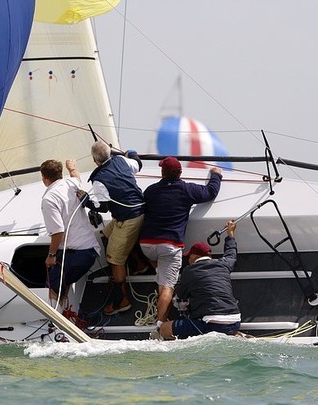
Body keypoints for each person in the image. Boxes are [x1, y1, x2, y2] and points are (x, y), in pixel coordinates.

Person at [140, 157, 222, 332]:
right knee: (166, 288)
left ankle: (159, 273)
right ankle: (160, 327)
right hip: (169, 247)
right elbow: (210, 192)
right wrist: (215, 174)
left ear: (162, 172)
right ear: (180, 173)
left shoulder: (150, 191)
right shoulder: (186, 190)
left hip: (146, 246)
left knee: (158, 262)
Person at [84, 140, 145, 315]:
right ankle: (140, 264)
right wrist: (131, 152)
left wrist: (86, 201)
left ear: (95, 160)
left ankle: (122, 301)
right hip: (139, 211)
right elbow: (138, 163)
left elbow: (103, 207)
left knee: (114, 259)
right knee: (106, 234)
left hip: (128, 220)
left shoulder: (98, 180)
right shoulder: (122, 161)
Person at [157, 220, 241, 340]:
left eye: (189, 257)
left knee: (165, 329)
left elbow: (181, 295)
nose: (188, 260)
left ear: (195, 257)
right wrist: (230, 234)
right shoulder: (223, 264)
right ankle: (232, 333)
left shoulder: (189, 271)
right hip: (235, 323)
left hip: (211, 324)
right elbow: (231, 253)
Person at [40, 159, 101, 307]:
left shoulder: (49, 199)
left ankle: (58, 321)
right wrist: (72, 168)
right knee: (62, 281)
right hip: (91, 250)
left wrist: (51, 256)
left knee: (52, 286)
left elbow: (58, 232)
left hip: (78, 255)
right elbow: (77, 177)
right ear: (60, 173)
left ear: (44, 178)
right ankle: (67, 311)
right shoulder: (71, 184)